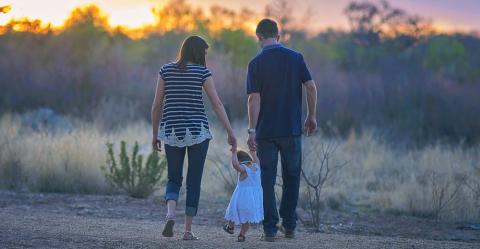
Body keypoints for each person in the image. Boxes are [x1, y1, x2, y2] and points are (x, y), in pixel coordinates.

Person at [151, 35, 237, 240]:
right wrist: (230, 131)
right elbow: (217, 104)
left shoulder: (166, 70)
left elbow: (156, 105)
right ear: (198, 52)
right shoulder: (202, 72)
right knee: (194, 181)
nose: (206, 56)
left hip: (171, 131)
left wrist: (155, 134)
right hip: (198, 132)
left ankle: (170, 214)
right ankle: (188, 231)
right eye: (205, 52)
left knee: (173, 177)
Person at [246, 19, 318, 242]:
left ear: (258, 36)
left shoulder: (256, 63)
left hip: (266, 132)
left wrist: (251, 130)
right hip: (292, 129)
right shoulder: (296, 58)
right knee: (292, 177)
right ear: (278, 35)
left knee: (266, 180)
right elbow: (311, 86)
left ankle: (269, 229)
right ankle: (289, 226)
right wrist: (311, 115)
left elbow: (253, 99)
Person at [223, 149, 263, 242]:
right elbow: (256, 159)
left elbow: (236, 165)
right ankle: (242, 235)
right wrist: (253, 151)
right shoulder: (256, 166)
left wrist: (233, 154)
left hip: (242, 197)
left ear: (240, 161)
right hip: (253, 199)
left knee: (233, 211)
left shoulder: (244, 169)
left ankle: (230, 227)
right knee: (247, 218)